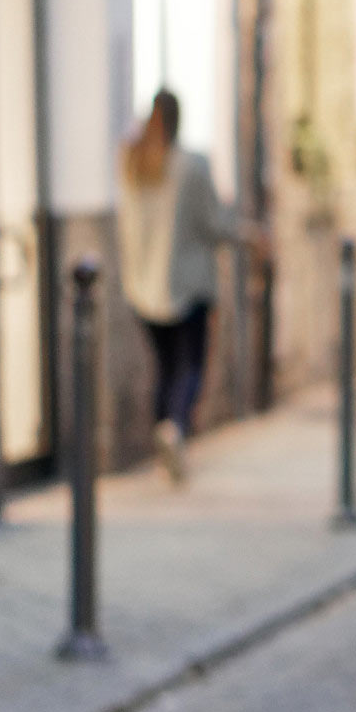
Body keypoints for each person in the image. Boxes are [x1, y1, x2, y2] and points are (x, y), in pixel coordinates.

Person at [117, 89, 262, 484]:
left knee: (163, 368)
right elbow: (213, 225)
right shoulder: (190, 166)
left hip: (143, 287)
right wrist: (247, 235)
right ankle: (175, 427)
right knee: (191, 365)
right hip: (187, 286)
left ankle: (164, 430)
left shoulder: (133, 163)